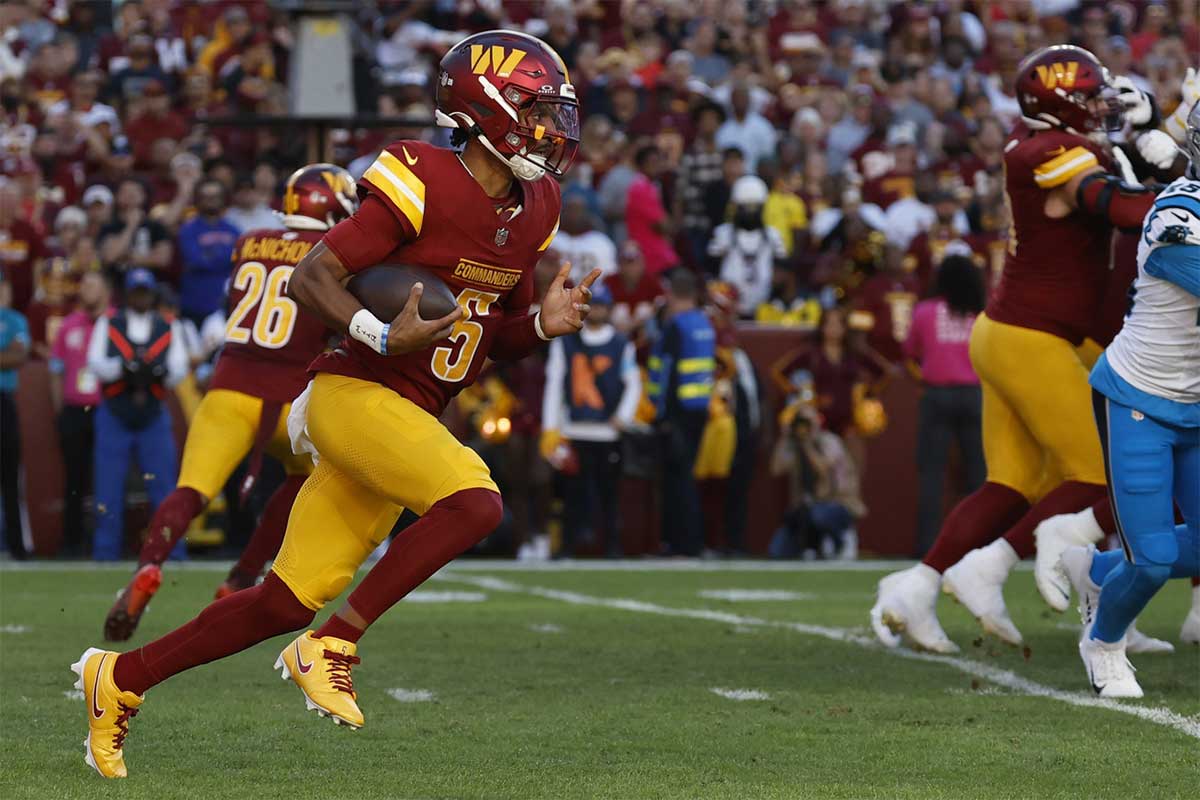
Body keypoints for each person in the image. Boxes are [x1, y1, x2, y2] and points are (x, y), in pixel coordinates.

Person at [72, 31, 596, 779]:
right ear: (485, 107)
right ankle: (335, 642)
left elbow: (485, 340)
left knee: (282, 601)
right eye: (537, 110)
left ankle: (117, 682)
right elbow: (312, 276)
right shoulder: (422, 176)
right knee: (476, 502)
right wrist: (381, 332)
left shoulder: (536, 205)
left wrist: (544, 323)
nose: (551, 129)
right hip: (352, 393)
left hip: (408, 418)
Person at [871, 47, 1159, 653]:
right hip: (1034, 335)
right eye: (1091, 97)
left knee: (1012, 484)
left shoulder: (1042, 141)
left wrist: (1154, 132)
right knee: (1104, 471)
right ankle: (990, 567)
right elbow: (1121, 207)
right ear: (1061, 105)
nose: (1102, 107)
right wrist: (1180, 186)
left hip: (1011, 332)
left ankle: (916, 588)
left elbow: (1120, 179)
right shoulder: (1055, 155)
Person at [102, 164, 355, 642]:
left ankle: (149, 566)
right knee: (304, 480)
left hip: (229, 385)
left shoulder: (250, 240)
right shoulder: (334, 254)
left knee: (190, 491)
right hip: (290, 400)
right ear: (334, 203)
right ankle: (242, 575)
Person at [1060, 105, 1200, 697]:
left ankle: (1093, 573)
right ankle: (1104, 643)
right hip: (1142, 393)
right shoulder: (1177, 211)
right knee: (1151, 559)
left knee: (1172, 550)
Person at [85, 268, 190, 561]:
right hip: (115, 412)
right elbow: (95, 363)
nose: (140, 298)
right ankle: (105, 554)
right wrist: (124, 368)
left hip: (153, 413)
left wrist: (156, 372)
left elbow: (179, 368)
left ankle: (172, 553)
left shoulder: (169, 325)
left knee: (163, 486)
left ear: (152, 295)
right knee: (108, 486)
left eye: (145, 292)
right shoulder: (109, 322)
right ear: (127, 294)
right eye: (135, 292)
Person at [541, 283, 640, 557]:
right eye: (592, 305)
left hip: (607, 431)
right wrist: (551, 428)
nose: (596, 310)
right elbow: (554, 385)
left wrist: (623, 416)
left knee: (610, 495)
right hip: (574, 429)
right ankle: (569, 546)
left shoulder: (621, 344)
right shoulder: (567, 341)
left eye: (601, 306)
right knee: (572, 495)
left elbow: (632, 383)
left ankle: (612, 546)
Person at [903, 254, 986, 557]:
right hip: (974, 395)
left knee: (931, 473)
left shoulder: (925, 311)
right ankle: (981, 544)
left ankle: (927, 547)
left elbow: (909, 352)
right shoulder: (981, 314)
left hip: (936, 394)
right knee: (979, 473)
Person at [648, 270, 716, 556]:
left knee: (677, 482)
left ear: (672, 295)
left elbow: (666, 372)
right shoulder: (704, 324)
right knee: (686, 477)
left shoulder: (675, 327)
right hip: (699, 410)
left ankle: (680, 543)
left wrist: (661, 414)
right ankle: (691, 541)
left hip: (675, 413)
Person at [49, 271, 109, 556]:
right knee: (74, 477)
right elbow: (56, 371)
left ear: (105, 291)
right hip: (75, 410)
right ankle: (72, 542)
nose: (87, 289)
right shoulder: (68, 325)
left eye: (93, 285)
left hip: (107, 409)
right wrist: (60, 409)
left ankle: (106, 543)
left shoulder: (114, 322)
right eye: (84, 285)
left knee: (107, 478)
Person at [769, 401, 864, 559]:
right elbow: (776, 469)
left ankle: (842, 537)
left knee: (819, 515)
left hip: (838, 503)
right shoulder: (796, 445)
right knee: (778, 550)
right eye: (801, 421)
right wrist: (785, 437)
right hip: (808, 507)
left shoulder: (830, 441)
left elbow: (823, 469)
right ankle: (814, 545)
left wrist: (807, 444)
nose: (805, 427)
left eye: (809, 422)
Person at [709, 175, 786, 317]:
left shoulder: (773, 235)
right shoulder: (723, 233)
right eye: (746, 207)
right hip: (729, 307)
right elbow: (712, 270)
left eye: (755, 207)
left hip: (765, 306)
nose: (751, 213)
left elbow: (782, 272)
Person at [177, 179, 240, 327]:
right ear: (198, 199)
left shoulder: (233, 229)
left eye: (215, 196)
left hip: (224, 305)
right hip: (193, 302)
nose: (211, 201)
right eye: (206, 196)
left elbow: (238, 261)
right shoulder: (188, 229)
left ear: (223, 199)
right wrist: (225, 255)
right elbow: (195, 260)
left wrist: (209, 255)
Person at [0, 268, 30, 559]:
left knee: (10, 477)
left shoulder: (16, 320)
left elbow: (18, 356)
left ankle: (17, 546)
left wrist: (8, 356)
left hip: (4, 401)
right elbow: (8, 356)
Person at [625, 143, 678, 277]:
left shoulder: (650, 186)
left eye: (659, 161)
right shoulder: (641, 188)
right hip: (651, 256)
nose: (657, 166)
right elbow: (663, 225)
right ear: (641, 165)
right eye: (652, 162)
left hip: (656, 253)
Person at [552, 192, 617, 285]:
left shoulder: (601, 242)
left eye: (578, 210)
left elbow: (609, 275)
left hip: (593, 294)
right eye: (570, 209)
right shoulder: (551, 240)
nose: (574, 214)